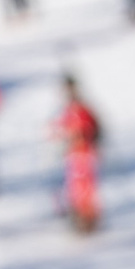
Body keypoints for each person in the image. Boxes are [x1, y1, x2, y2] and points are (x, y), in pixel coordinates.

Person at [57, 72, 102, 233]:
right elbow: (61, 130)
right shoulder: (68, 110)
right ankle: (78, 218)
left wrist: (89, 139)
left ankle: (89, 219)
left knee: (85, 187)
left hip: (84, 154)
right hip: (74, 155)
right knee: (74, 187)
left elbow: (95, 129)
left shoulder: (83, 110)